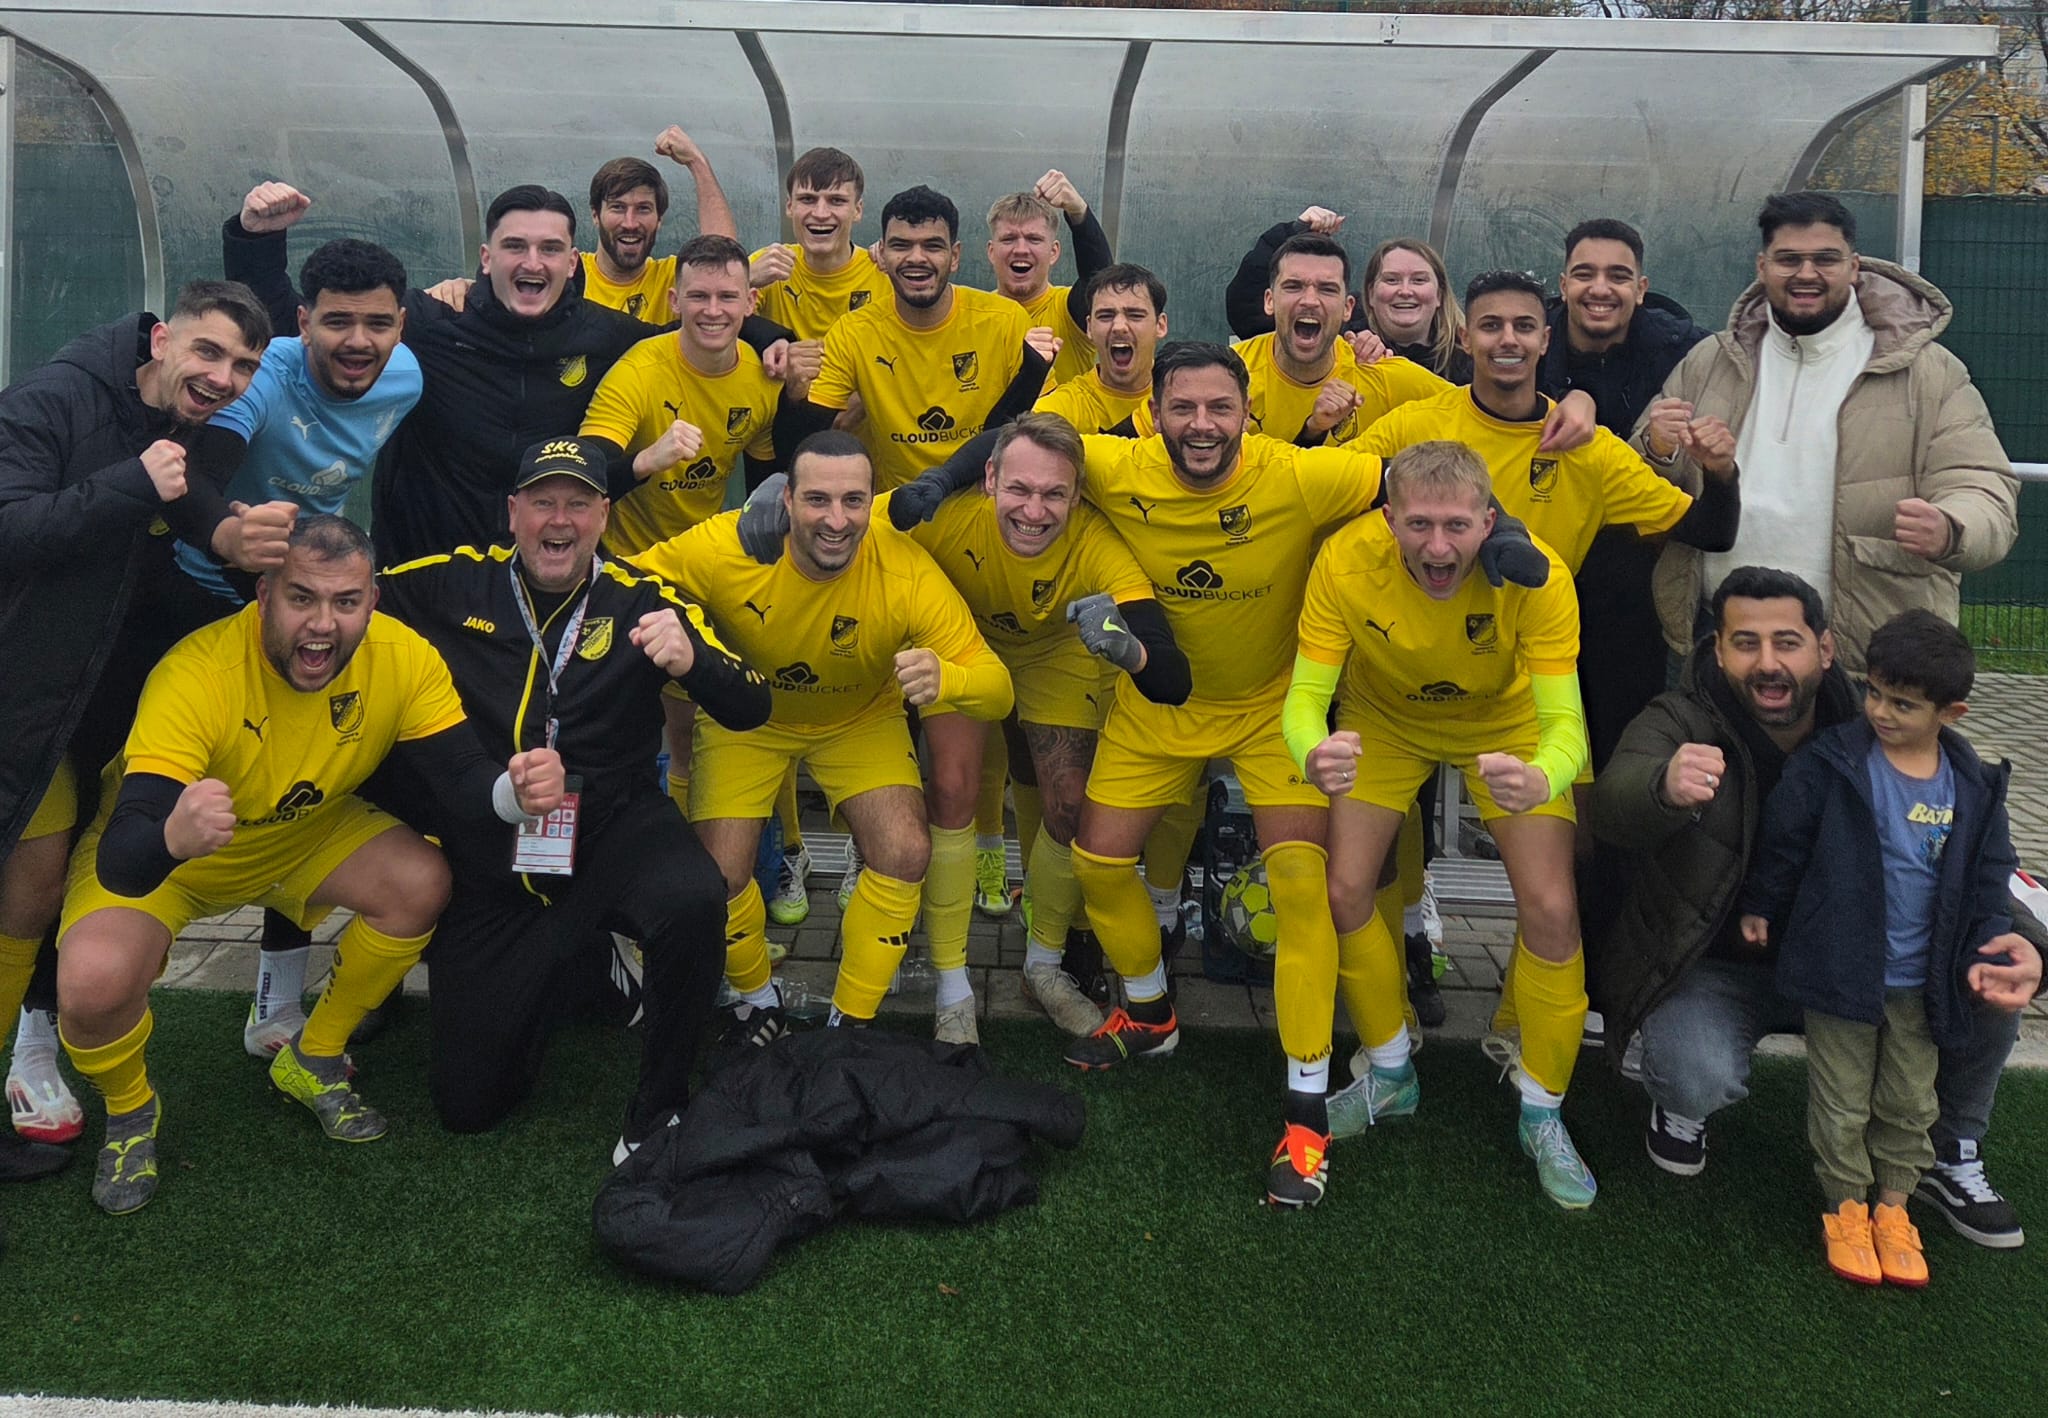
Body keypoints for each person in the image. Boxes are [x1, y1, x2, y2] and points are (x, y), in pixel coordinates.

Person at [889, 342, 1545, 1206]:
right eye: (1184, 408)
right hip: (1159, 709)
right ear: (1153, 414)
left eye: (1220, 408)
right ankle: (1152, 1012)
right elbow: (1018, 438)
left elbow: (1419, 486)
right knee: (1098, 861)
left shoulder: (1299, 474)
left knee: (1302, 889)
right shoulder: (1114, 463)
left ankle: (1306, 1111)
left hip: (1275, 709)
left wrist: (1507, 533)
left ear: (1247, 414)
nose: (1202, 425)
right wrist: (938, 482)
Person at [54, 515, 563, 1214]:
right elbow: (125, 859)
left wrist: (515, 793)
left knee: (421, 882)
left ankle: (314, 1056)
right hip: (178, 862)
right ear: (264, 595)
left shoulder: (403, 656)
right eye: (302, 597)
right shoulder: (198, 672)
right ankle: (130, 1109)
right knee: (91, 984)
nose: (323, 624)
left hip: (304, 836)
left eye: (345, 601)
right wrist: (173, 836)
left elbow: (460, 778)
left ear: (372, 601)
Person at [1589, 566, 2044, 1250]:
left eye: (1787, 642)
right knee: (1694, 1072)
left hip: (1857, 963)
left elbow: (1971, 856)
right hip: (1725, 966)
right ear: (1717, 650)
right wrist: (1662, 785)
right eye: (1745, 642)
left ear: (1825, 649)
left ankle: (1950, 1149)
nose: (1767, 662)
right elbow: (1611, 807)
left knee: (1992, 987)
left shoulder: (1893, 727)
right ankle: (1684, 1106)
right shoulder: (1680, 718)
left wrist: (2031, 943)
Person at [375, 438, 769, 1158]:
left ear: (604, 515)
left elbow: (752, 703)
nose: (560, 520)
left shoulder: (643, 597)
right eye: (543, 502)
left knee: (693, 897)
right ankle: (590, 967)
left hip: (614, 825)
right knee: (469, 1105)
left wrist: (694, 663)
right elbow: (350, 598)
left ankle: (659, 1109)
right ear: (513, 513)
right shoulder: (452, 581)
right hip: (492, 849)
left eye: (579, 504)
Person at [0, 280, 273, 1170]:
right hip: (18, 694)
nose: (225, 377)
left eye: (244, 366)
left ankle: (29, 1054)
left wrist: (237, 553)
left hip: (65, 701)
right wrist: (133, 486)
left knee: (36, 888)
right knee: (30, 885)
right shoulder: (56, 397)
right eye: (209, 352)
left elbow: (166, 524)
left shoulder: (163, 418)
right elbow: (10, 527)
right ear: (161, 339)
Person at [1287, 440, 1597, 1209]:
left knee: (1552, 907)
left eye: (1457, 526)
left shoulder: (1541, 576)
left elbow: (1567, 723)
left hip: (1507, 724)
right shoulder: (1345, 561)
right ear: (1388, 519)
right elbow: (1305, 699)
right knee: (1344, 890)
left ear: (1488, 522)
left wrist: (1545, 776)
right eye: (1419, 524)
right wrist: (1311, 751)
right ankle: (1390, 1069)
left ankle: (1543, 1110)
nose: (1436, 546)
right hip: (1385, 720)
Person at [629, 431, 1012, 1036]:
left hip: (858, 720)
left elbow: (998, 688)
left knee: (905, 851)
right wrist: (687, 624)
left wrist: (951, 678)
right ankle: (757, 999)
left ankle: (849, 1019)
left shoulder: (903, 567)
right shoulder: (727, 545)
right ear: (785, 499)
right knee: (717, 876)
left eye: (854, 500)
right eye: (817, 500)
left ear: (871, 500)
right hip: (749, 720)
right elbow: (624, 584)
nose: (837, 520)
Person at [161, 212, 426, 1059]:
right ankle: (66, 991)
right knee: (159, 788)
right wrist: (230, 538)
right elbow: (199, 471)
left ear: (401, 325)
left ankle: (276, 1003)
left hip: (308, 605)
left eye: (377, 323)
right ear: (302, 321)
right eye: (336, 321)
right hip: (202, 590)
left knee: (305, 785)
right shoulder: (269, 374)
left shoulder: (408, 373)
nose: (358, 341)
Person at [224, 182, 791, 565]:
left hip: (538, 577)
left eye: (550, 249)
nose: (532, 262)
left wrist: (770, 339)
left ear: (571, 262)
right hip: (421, 573)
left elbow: (694, 329)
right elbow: (299, 323)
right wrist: (255, 239)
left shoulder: (606, 336)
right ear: (486, 257)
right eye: (515, 246)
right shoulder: (431, 322)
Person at [1738, 611, 2023, 1286]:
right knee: (1841, 1101)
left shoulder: (1973, 784)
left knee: (1910, 1102)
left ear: (1951, 713)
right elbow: (1784, 841)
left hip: (1924, 982)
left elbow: (1990, 875)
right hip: (1840, 972)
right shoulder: (1834, 761)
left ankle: (1894, 1209)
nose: (1881, 712)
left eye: (1903, 704)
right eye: (1874, 693)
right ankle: (1845, 1207)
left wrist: (1991, 943)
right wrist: (1761, 905)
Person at [1643, 191, 2018, 670]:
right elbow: (1637, 476)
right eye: (1789, 259)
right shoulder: (1710, 360)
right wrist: (1657, 447)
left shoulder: (1929, 372)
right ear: (1762, 266)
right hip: (1717, 643)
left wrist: (1951, 528)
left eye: (1825, 259)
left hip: (1862, 655)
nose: (1806, 273)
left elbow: (1982, 485)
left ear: (1854, 266)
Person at [1538, 218, 1714, 772]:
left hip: (1642, 580)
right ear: (1563, 284)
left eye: (1618, 276)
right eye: (1584, 274)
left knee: (1622, 742)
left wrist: (1661, 449)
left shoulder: (1686, 355)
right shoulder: (1528, 342)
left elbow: (1705, 478)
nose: (1600, 289)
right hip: (1540, 568)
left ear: (1641, 288)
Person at [792, 185, 1054, 493]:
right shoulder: (853, 331)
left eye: (932, 246)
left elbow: (1040, 430)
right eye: (901, 245)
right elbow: (810, 436)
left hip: (986, 501)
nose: (916, 258)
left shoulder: (1006, 320)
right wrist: (791, 394)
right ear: (882, 254)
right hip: (898, 504)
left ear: (954, 256)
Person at [1225, 210, 1470, 382]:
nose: (1405, 291)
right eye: (1391, 279)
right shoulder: (1337, 339)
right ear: (1369, 294)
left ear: (1439, 295)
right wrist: (1293, 233)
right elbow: (1248, 310)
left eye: (1419, 280)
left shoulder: (1471, 360)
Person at [580, 128, 740, 320]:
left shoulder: (673, 279)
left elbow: (723, 264)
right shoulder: (570, 274)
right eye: (618, 207)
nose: (630, 223)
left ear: (659, 218)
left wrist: (696, 162)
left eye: (643, 209)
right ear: (595, 215)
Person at [750, 146, 892, 343]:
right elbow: (715, 322)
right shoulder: (769, 264)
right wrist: (745, 280)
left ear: (857, 210)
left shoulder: (883, 272)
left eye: (836, 200)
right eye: (807, 199)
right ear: (789, 207)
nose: (820, 214)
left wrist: (902, 260)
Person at [985, 174, 1114, 388]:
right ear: (991, 251)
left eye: (1034, 239)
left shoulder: (1068, 310)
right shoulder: (975, 316)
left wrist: (1078, 212)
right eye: (1008, 239)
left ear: (1053, 252)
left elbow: (1100, 281)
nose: (1021, 249)